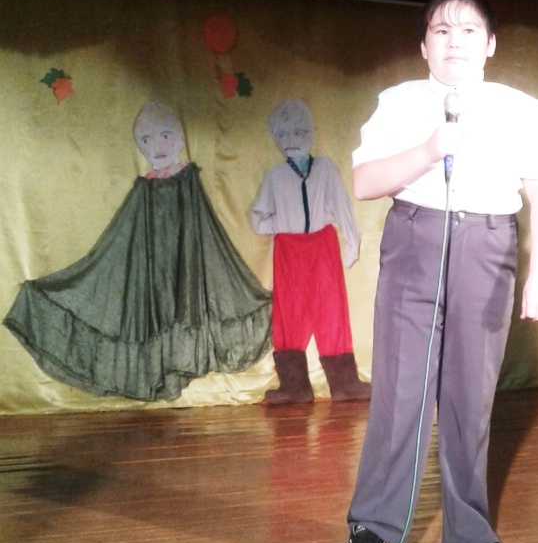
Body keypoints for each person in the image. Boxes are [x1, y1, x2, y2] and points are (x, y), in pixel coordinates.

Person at [343, 0, 538, 543]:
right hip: (414, 240)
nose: (454, 41)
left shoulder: (523, 109)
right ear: (424, 46)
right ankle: (371, 527)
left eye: (468, 31)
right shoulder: (398, 102)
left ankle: (468, 536)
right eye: (441, 31)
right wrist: (428, 149)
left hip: (488, 247)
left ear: (490, 45)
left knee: (471, 397)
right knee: (400, 394)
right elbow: (363, 183)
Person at [4, 102, 271, 400]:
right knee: (158, 314)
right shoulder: (143, 188)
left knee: (183, 309)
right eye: (147, 139)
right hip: (152, 268)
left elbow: (205, 229)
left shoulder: (188, 181)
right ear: (140, 146)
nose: (158, 146)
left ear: (179, 139)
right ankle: (161, 367)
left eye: (165, 135)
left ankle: (179, 359)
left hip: (188, 265)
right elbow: (124, 235)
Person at [250, 98, 370, 403]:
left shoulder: (325, 168)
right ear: (275, 137)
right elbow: (258, 216)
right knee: (289, 313)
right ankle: (295, 386)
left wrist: (351, 243)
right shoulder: (275, 176)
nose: (292, 140)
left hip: (322, 245)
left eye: (299, 132)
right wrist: (278, 225)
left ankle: (344, 384)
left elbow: (342, 205)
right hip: (289, 249)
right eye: (283, 134)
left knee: (330, 309)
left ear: (312, 133)